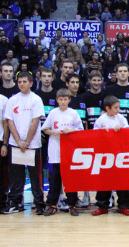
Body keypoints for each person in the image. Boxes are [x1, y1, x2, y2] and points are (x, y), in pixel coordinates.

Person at [3, 72, 45, 215]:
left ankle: (39, 204)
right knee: (16, 177)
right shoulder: (12, 100)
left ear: (31, 83)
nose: (22, 84)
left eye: (24, 81)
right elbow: (9, 121)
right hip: (15, 145)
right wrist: (18, 141)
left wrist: (27, 141)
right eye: (19, 81)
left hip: (33, 145)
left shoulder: (36, 99)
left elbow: (35, 121)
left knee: (35, 176)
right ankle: (15, 203)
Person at [41, 88, 83, 216]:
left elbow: (80, 130)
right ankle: (52, 204)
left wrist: (70, 131)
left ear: (69, 100)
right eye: (61, 99)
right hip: (55, 152)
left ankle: (72, 204)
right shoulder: (53, 113)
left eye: (65, 99)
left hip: (69, 152)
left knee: (70, 180)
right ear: (57, 100)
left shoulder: (74, 113)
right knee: (54, 180)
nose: (63, 102)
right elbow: (45, 129)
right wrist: (54, 132)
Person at [91, 95, 129, 216]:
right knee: (104, 181)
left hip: (119, 154)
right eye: (115, 108)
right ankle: (102, 206)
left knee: (121, 181)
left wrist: (122, 130)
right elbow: (93, 135)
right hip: (105, 155)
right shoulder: (101, 120)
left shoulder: (121, 119)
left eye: (118, 107)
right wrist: (101, 132)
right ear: (108, 108)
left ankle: (124, 206)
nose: (118, 110)